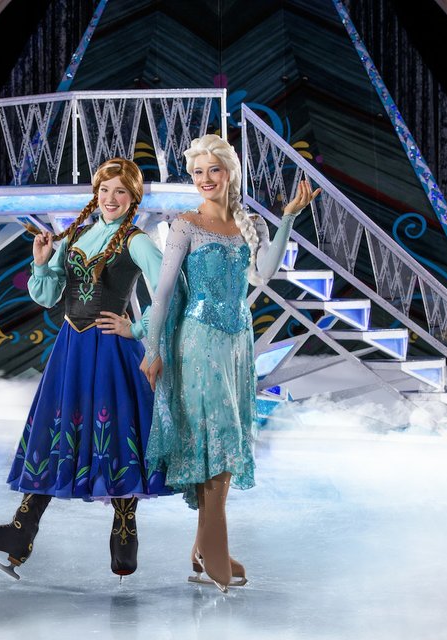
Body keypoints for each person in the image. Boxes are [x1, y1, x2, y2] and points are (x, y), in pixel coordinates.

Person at [0, 157, 171, 579]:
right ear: (95, 193)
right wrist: (41, 261)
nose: (110, 198)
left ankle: (125, 533)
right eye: (104, 190)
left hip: (111, 350)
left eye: (120, 192)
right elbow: (47, 295)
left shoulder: (137, 241)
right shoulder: (78, 234)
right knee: (52, 431)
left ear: (133, 199)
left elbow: (171, 291)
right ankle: (21, 531)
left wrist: (137, 328)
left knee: (114, 435)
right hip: (71, 348)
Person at [140, 134, 320, 592]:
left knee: (226, 435)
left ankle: (205, 550)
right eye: (197, 172)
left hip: (238, 344)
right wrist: (152, 350)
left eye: (212, 170)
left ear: (229, 174)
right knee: (213, 439)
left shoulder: (247, 224)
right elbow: (161, 294)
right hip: (197, 342)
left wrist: (287, 219)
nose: (204, 179)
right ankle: (216, 551)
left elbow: (268, 270)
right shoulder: (185, 225)